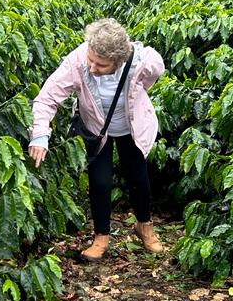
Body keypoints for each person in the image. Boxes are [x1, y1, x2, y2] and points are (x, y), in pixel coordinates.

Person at [28, 18, 165, 262]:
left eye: (101, 65)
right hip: (96, 129)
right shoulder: (78, 61)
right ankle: (101, 237)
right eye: (91, 60)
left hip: (132, 128)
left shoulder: (140, 62)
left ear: (118, 60)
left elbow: (155, 69)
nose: (92, 67)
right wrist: (40, 134)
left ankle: (145, 227)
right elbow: (47, 97)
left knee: (138, 178)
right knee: (100, 182)